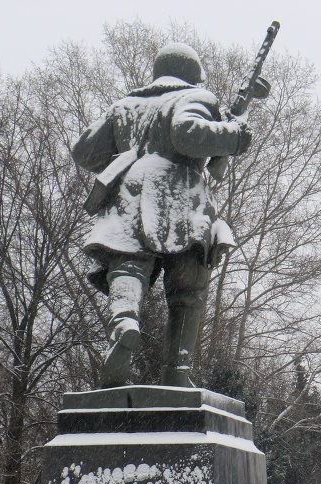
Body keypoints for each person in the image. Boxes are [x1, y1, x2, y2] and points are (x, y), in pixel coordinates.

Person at [72, 43, 253, 388]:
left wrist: (124, 159)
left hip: (130, 189)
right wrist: (236, 136)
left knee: (127, 265)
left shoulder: (124, 105)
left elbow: (84, 150)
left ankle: (123, 322)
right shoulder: (194, 98)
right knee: (188, 285)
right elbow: (187, 134)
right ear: (191, 75)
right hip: (180, 190)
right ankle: (177, 371)